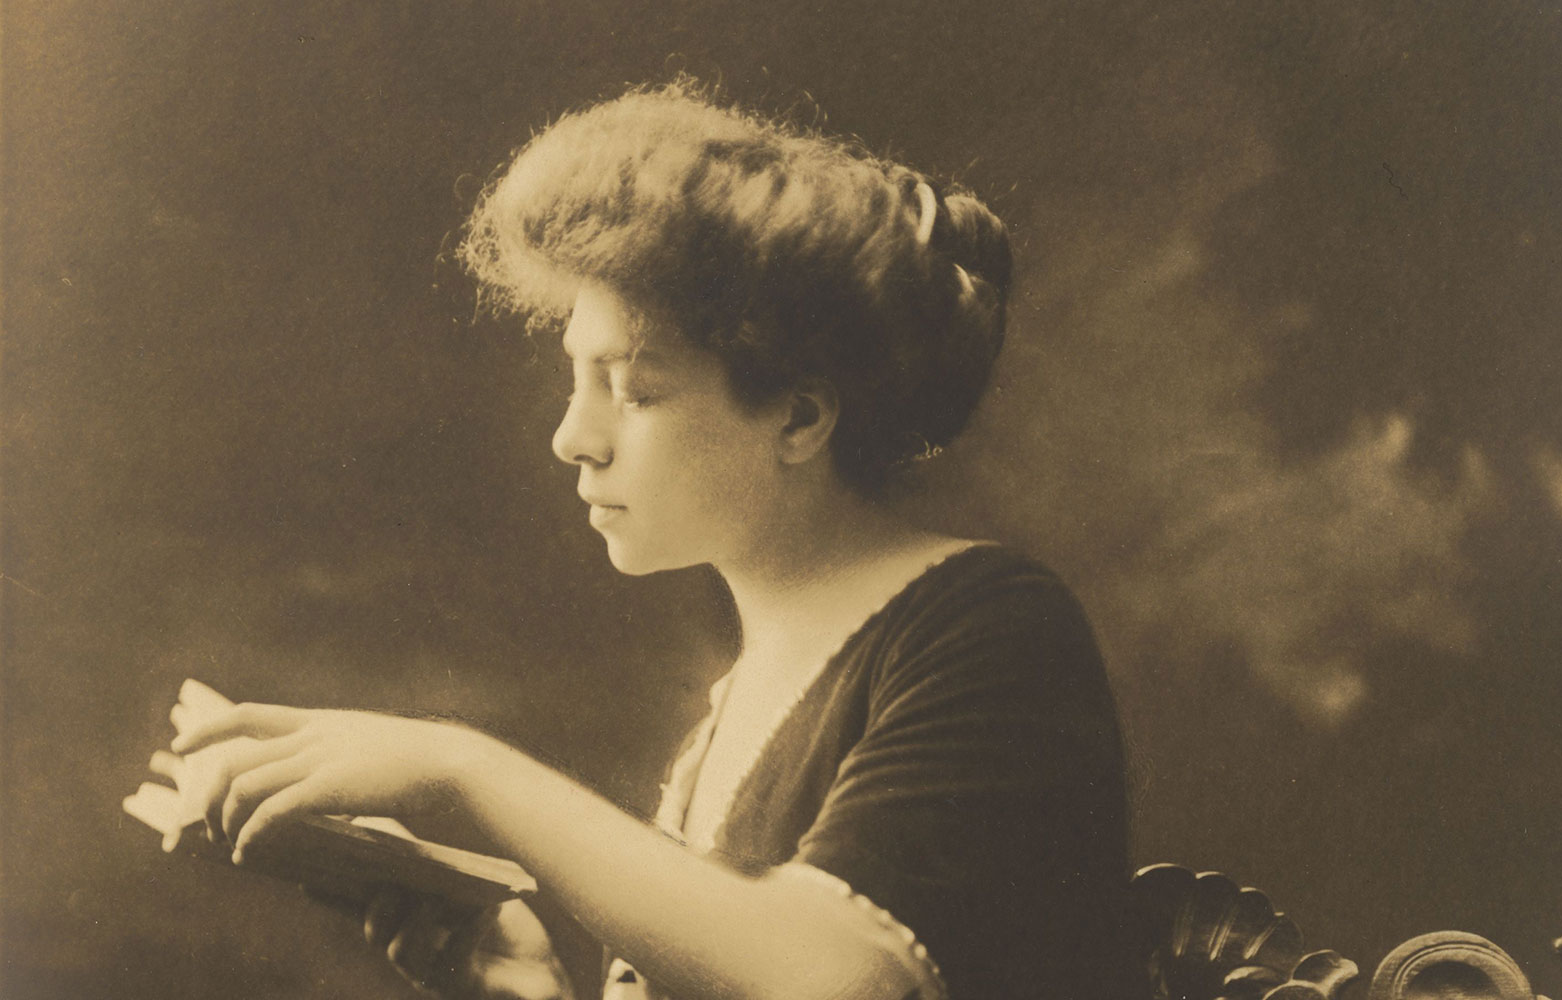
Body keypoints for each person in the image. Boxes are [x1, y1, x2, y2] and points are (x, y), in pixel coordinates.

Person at [165, 80, 1141, 1000]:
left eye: (632, 391)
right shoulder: (722, 724)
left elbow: (847, 978)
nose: (572, 437)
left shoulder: (990, 626)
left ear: (799, 416)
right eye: (575, 379)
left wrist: (462, 767)